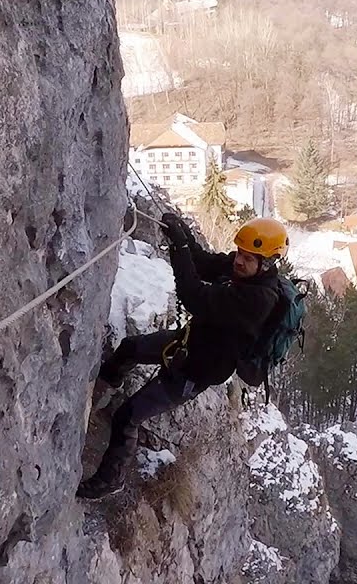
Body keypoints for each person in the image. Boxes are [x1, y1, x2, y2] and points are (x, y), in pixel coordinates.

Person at [76, 213, 289, 499]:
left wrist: (179, 247)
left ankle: (110, 480)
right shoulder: (239, 271)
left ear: (267, 264)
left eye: (249, 258)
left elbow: (193, 295)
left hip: (193, 372)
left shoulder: (258, 301)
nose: (239, 260)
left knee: (127, 416)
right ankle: (102, 390)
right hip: (185, 345)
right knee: (130, 347)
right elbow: (202, 264)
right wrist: (182, 233)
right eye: (240, 253)